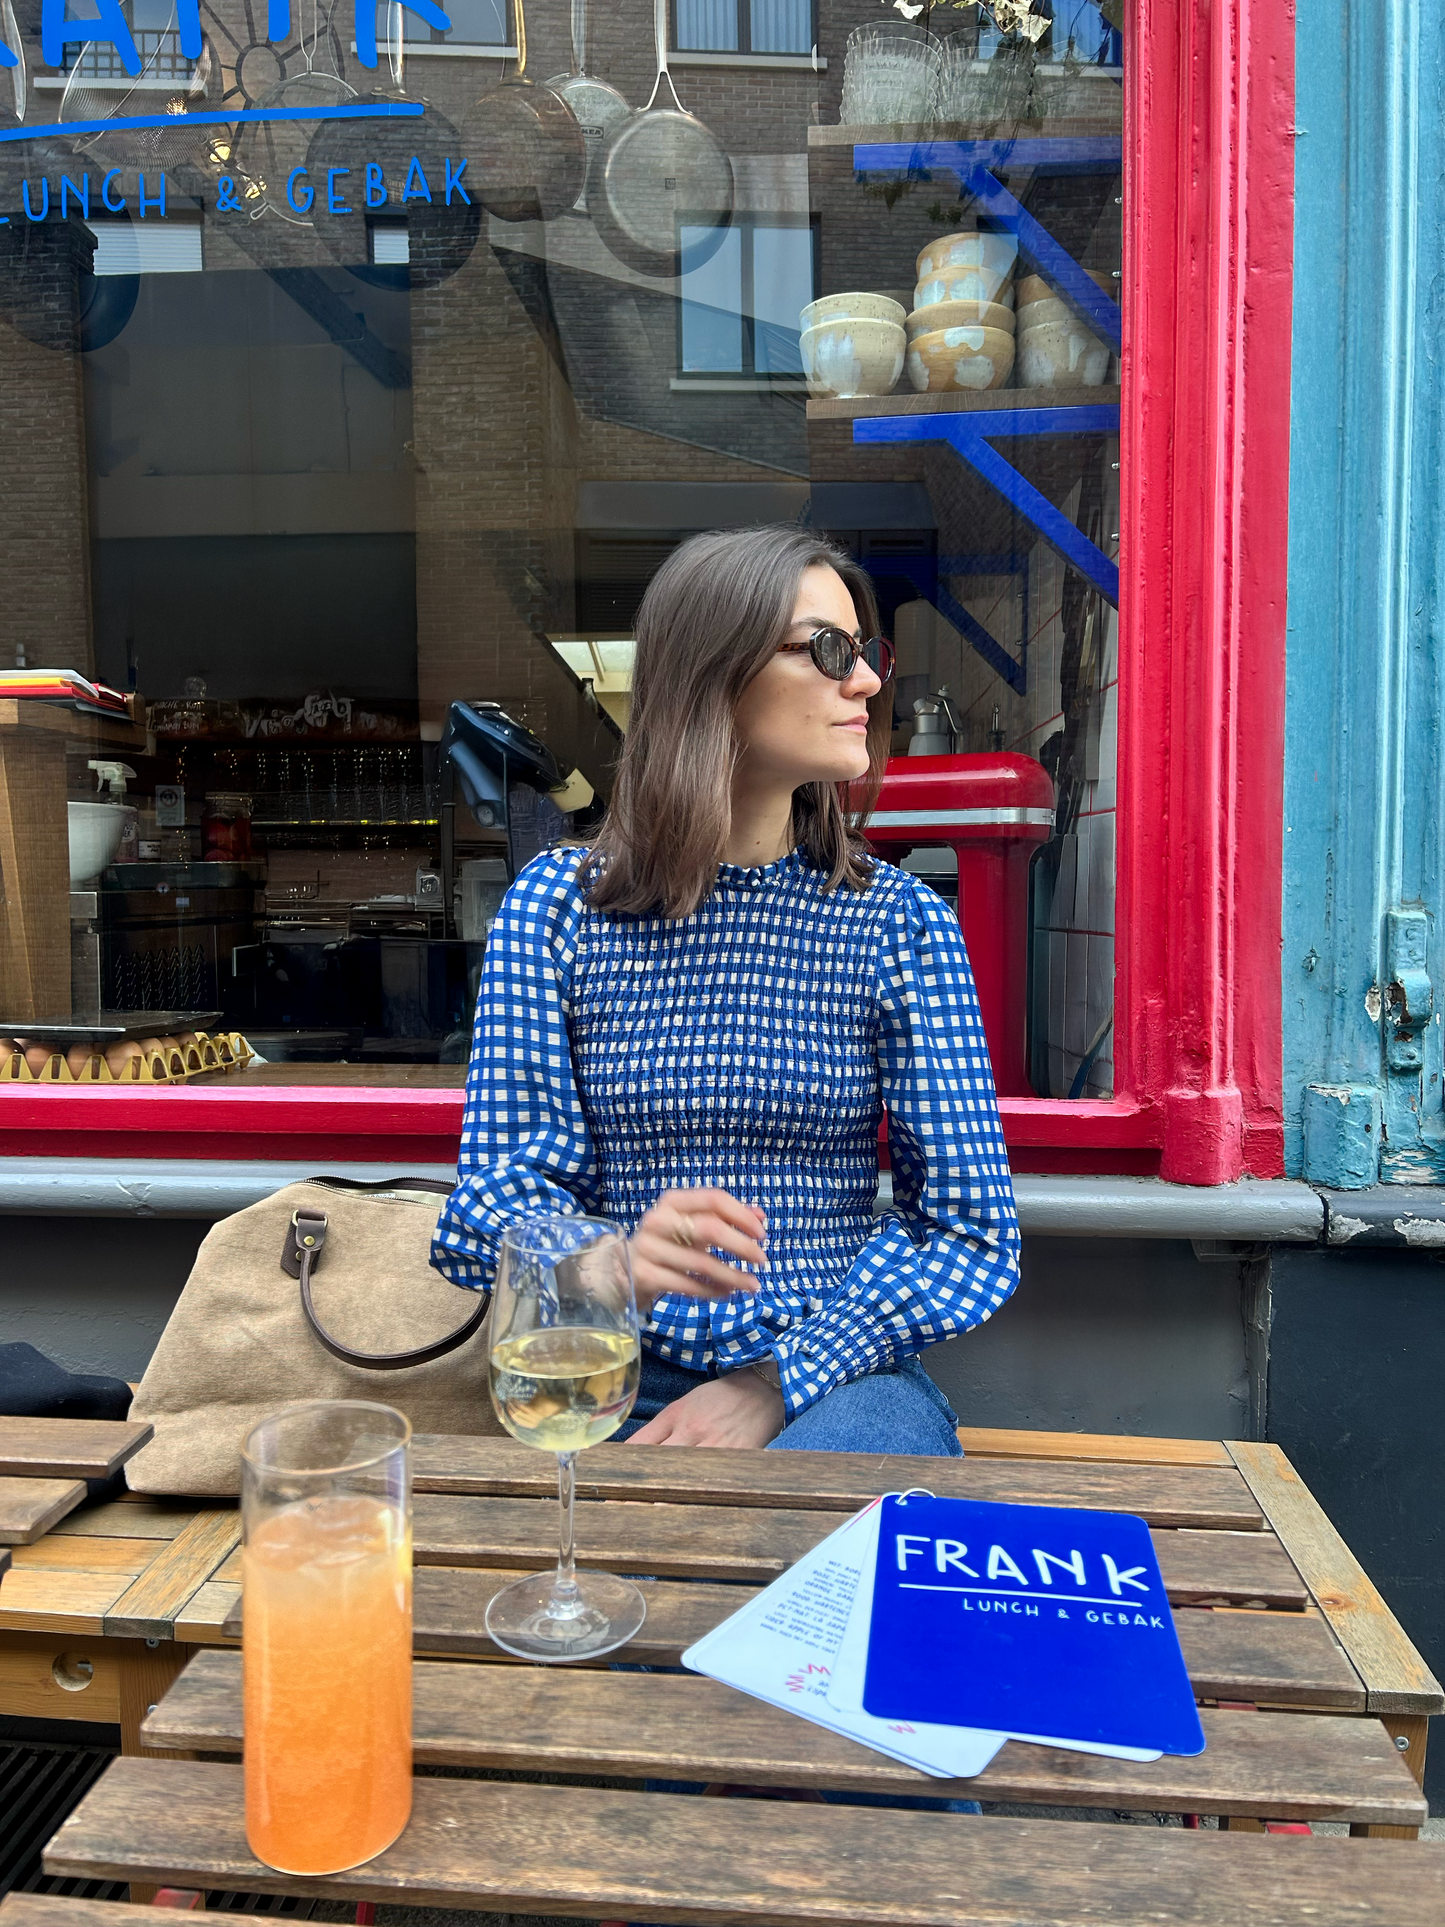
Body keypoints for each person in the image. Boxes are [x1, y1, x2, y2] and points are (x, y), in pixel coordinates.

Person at [432, 524, 1021, 1454]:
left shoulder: (897, 923)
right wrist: (614, 1264)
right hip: (602, 1366)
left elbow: (969, 1233)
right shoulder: (559, 908)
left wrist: (776, 1382)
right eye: (829, 650)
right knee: (619, 1574)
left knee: (804, 1538)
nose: (865, 681)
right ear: (713, 674)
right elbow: (484, 1217)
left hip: (835, 1378)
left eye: (866, 653)